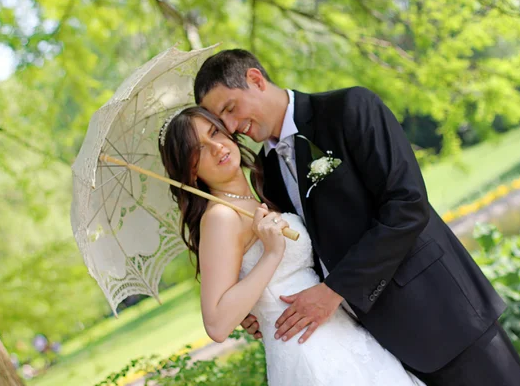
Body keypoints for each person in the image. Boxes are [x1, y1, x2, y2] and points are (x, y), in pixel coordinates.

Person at [192, 49, 520, 386]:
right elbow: (305, 252)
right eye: (224, 122)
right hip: (369, 349)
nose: (233, 127)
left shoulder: (348, 109)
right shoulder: (267, 172)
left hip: (443, 317)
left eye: (230, 109)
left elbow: (407, 204)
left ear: (255, 79)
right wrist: (256, 305)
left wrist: (335, 290)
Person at [158, 106, 424, 385]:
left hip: (341, 333)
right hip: (308, 353)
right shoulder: (221, 217)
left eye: (215, 132)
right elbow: (216, 323)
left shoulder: (260, 191)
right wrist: (272, 255)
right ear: (190, 171)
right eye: (199, 149)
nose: (216, 147)